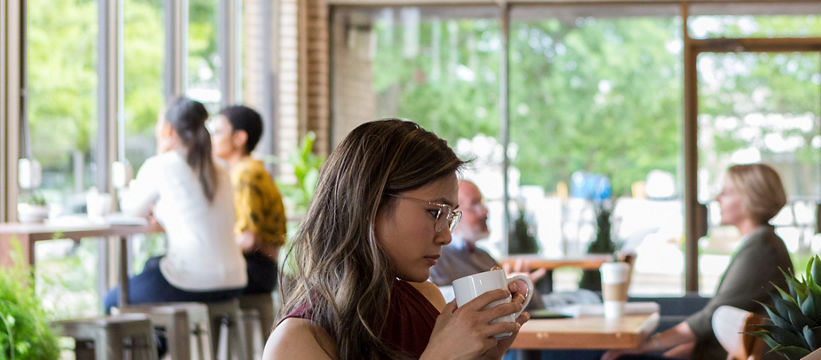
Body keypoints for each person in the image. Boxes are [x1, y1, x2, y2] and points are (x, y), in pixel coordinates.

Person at [263, 119, 530, 360]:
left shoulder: (430, 300)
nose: (447, 236)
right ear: (370, 202)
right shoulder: (299, 339)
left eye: (450, 216)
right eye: (435, 211)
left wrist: (485, 356)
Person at [604, 164, 794, 360]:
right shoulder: (762, 242)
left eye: (727, 192)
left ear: (751, 198)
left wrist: (650, 344)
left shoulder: (761, 248)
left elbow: (713, 316)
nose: (717, 198)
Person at [105, 97, 246, 310]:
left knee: (112, 300)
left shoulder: (162, 165)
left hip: (193, 281)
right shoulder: (222, 169)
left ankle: (160, 344)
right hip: (235, 280)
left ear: (169, 131)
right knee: (153, 265)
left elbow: (131, 210)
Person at [428, 179, 546, 310]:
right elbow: (436, 300)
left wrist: (523, 288)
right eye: (474, 205)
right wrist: (499, 288)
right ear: (451, 215)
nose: (485, 211)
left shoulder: (483, 256)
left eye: (482, 203)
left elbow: (537, 309)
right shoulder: (435, 258)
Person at [209, 105, 285, 299]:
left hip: (254, 270)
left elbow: (249, 240)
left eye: (217, 132)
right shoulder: (250, 170)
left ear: (239, 138)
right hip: (264, 270)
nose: (212, 138)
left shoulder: (245, 174)